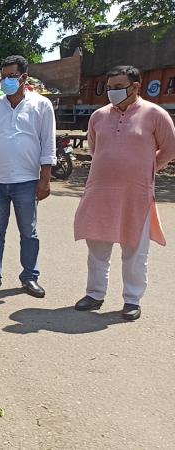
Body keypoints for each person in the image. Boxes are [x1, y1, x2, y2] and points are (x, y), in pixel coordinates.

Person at [73, 65, 175, 321]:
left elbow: (169, 149)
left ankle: (132, 300)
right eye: (109, 88)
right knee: (97, 249)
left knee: (135, 251)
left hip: (136, 195)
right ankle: (94, 294)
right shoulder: (98, 116)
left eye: (118, 87)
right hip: (100, 192)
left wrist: (147, 168)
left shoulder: (155, 114)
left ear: (136, 86)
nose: (112, 92)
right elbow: (95, 149)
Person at [0, 55, 56, 298]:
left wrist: (45, 179)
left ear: (24, 77)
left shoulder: (41, 105)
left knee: (28, 232)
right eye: (3, 77)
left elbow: (48, 144)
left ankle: (30, 277)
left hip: (27, 181)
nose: (6, 81)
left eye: (11, 76)